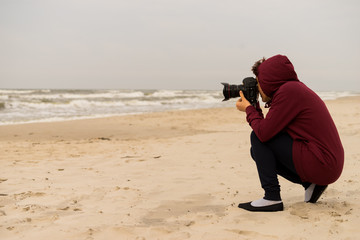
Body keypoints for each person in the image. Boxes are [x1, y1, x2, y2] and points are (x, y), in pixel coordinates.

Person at [236, 54, 344, 212]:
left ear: (269, 80)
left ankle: (271, 197)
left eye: (259, 83)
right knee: (257, 151)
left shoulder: (288, 91)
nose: (258, 88)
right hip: (327, 163)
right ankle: (311, 185)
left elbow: (263, 133)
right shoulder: (293, 89)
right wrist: (254, 107)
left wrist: (249, 109)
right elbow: (269, 128)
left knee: (257, 138)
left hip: (323, 162)